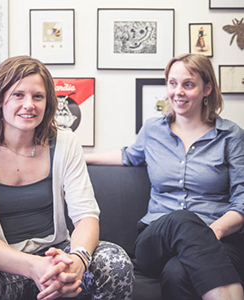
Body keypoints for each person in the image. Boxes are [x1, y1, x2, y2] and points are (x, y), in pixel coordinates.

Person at [0, 56, 134, 300]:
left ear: (48, 103)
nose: (29, 105)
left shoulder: (66, 143)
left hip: (56, 258)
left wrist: (77, 260)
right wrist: (33, 267)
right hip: (1, 265)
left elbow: (86, 216)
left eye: (38, 96)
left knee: (115, 261)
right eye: (18, 95)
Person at [85, 53, 244, 300]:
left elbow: (242, 201)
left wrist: (210, 233)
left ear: (207, 88)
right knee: (182, 219)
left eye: (188, 84)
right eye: (172, 83)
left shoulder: (230, 136)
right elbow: (129, 155)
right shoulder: (153, 129)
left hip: (219, 239)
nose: (177, 91)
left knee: (177, 273)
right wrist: (81, 158)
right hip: (156, 240)